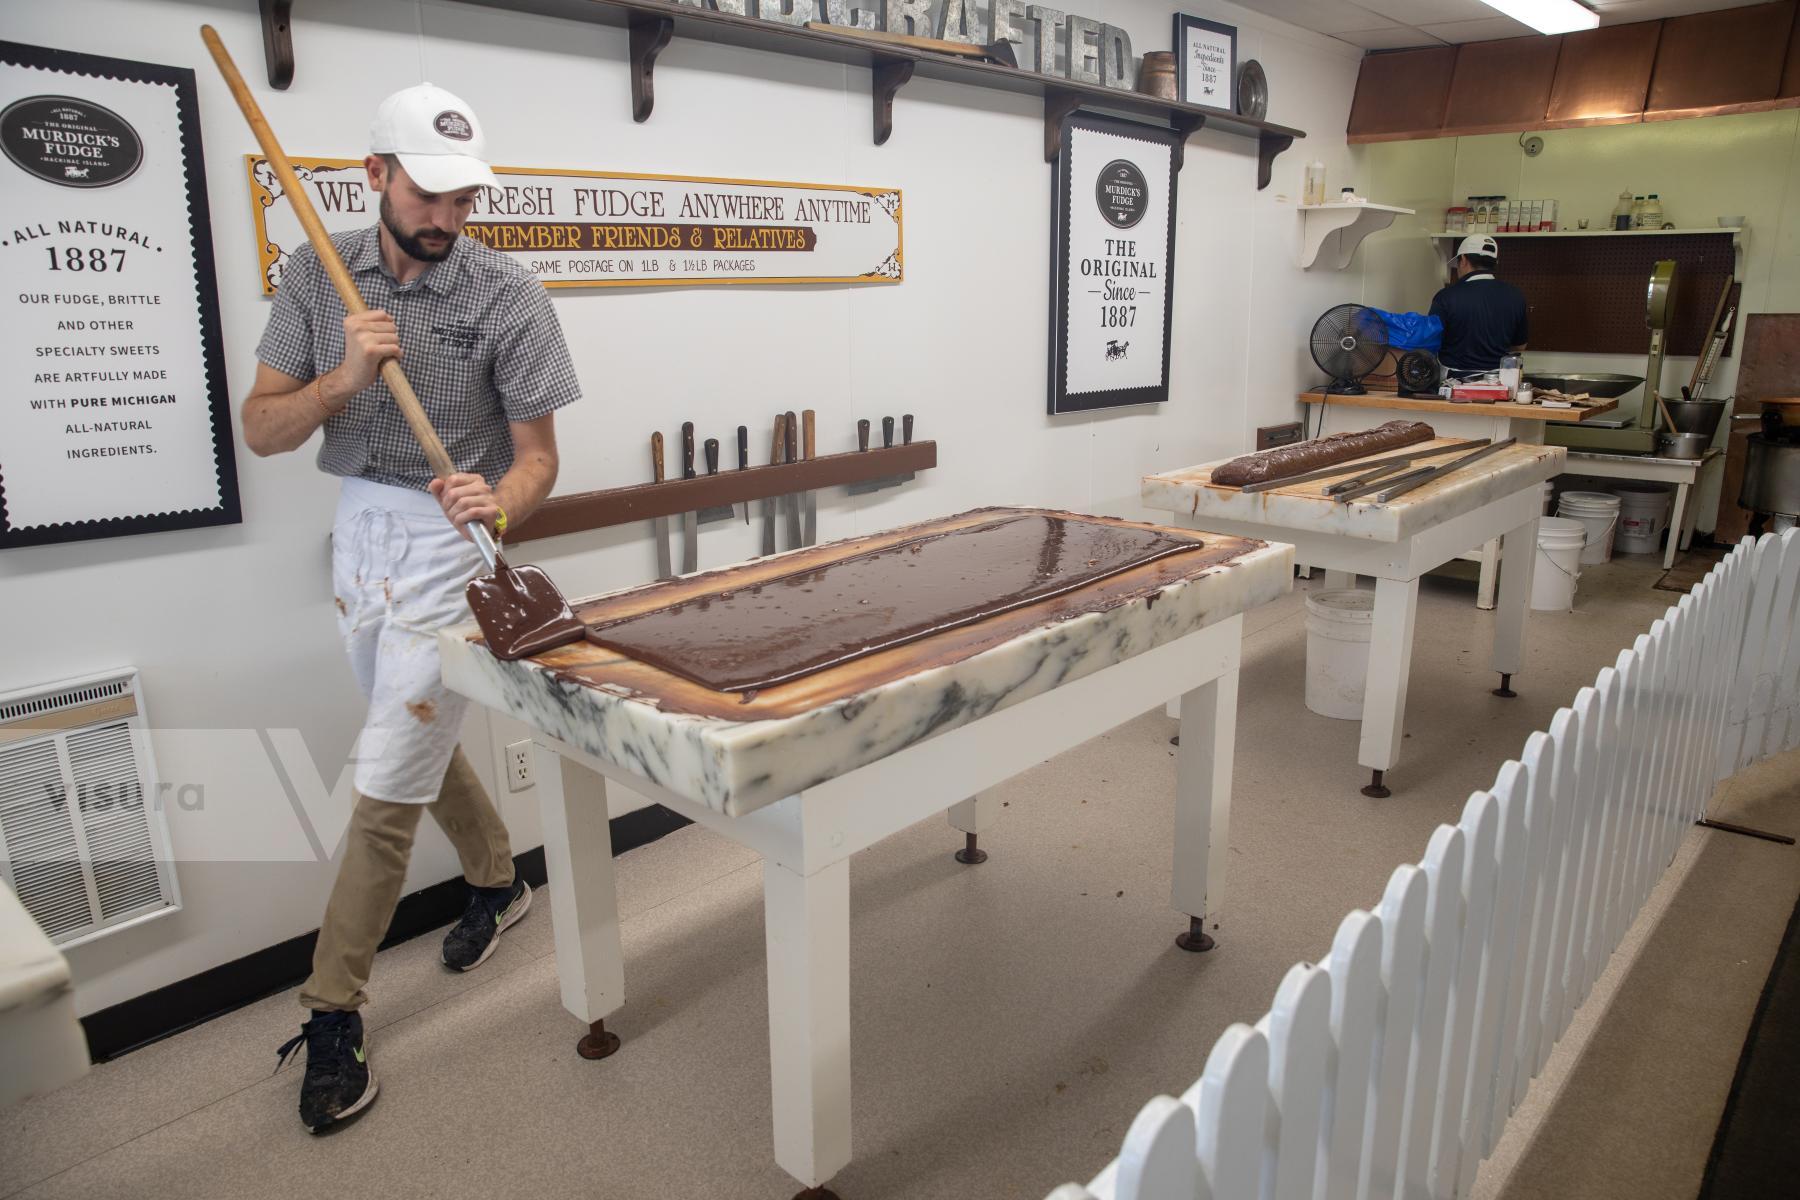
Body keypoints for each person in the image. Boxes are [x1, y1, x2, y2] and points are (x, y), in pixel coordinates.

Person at [244, 83, 581, 1133]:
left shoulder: (508, 295)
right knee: (414, 733)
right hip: (363, 534)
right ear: (376, 176)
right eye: (429, 195)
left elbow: (539, 461)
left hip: (452, 545)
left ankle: (332, 1008)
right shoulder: (314, 272)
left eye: (464, 199)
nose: (447, 219)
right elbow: (262, 429)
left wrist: (502, 498)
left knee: (386, 778)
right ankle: (496, 878)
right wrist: (343, 378)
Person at [1428, 233, 1529, 376]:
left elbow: (1430, 340)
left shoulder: (1446, 296)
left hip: (1454, 383)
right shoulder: (1516, 295)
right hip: (1499, 383)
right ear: (1495, 263)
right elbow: (1520, 345)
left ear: (1463, 260)